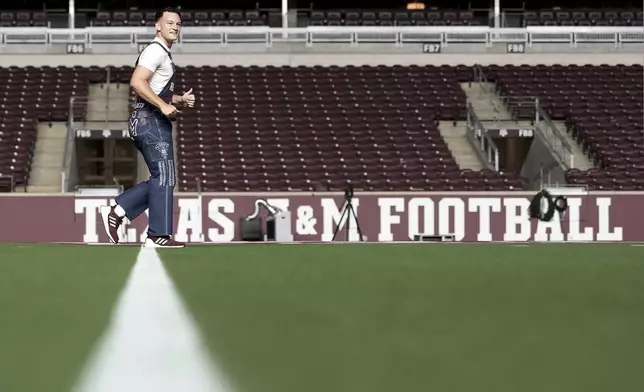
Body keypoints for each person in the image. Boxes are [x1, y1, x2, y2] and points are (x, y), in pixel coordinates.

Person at [99, 7, 194, 248]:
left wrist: (178, 99)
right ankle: (156, 235)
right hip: (149, 120)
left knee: (164, 176)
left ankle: (119, 209)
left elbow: (154, 89)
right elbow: (137, 81)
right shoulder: (155, 50)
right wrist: (162, 105)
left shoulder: (162, 53)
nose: (175, 27)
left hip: (149, 120)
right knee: (164, 175)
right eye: (169, 22)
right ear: (157, 26)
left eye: (178, 24)